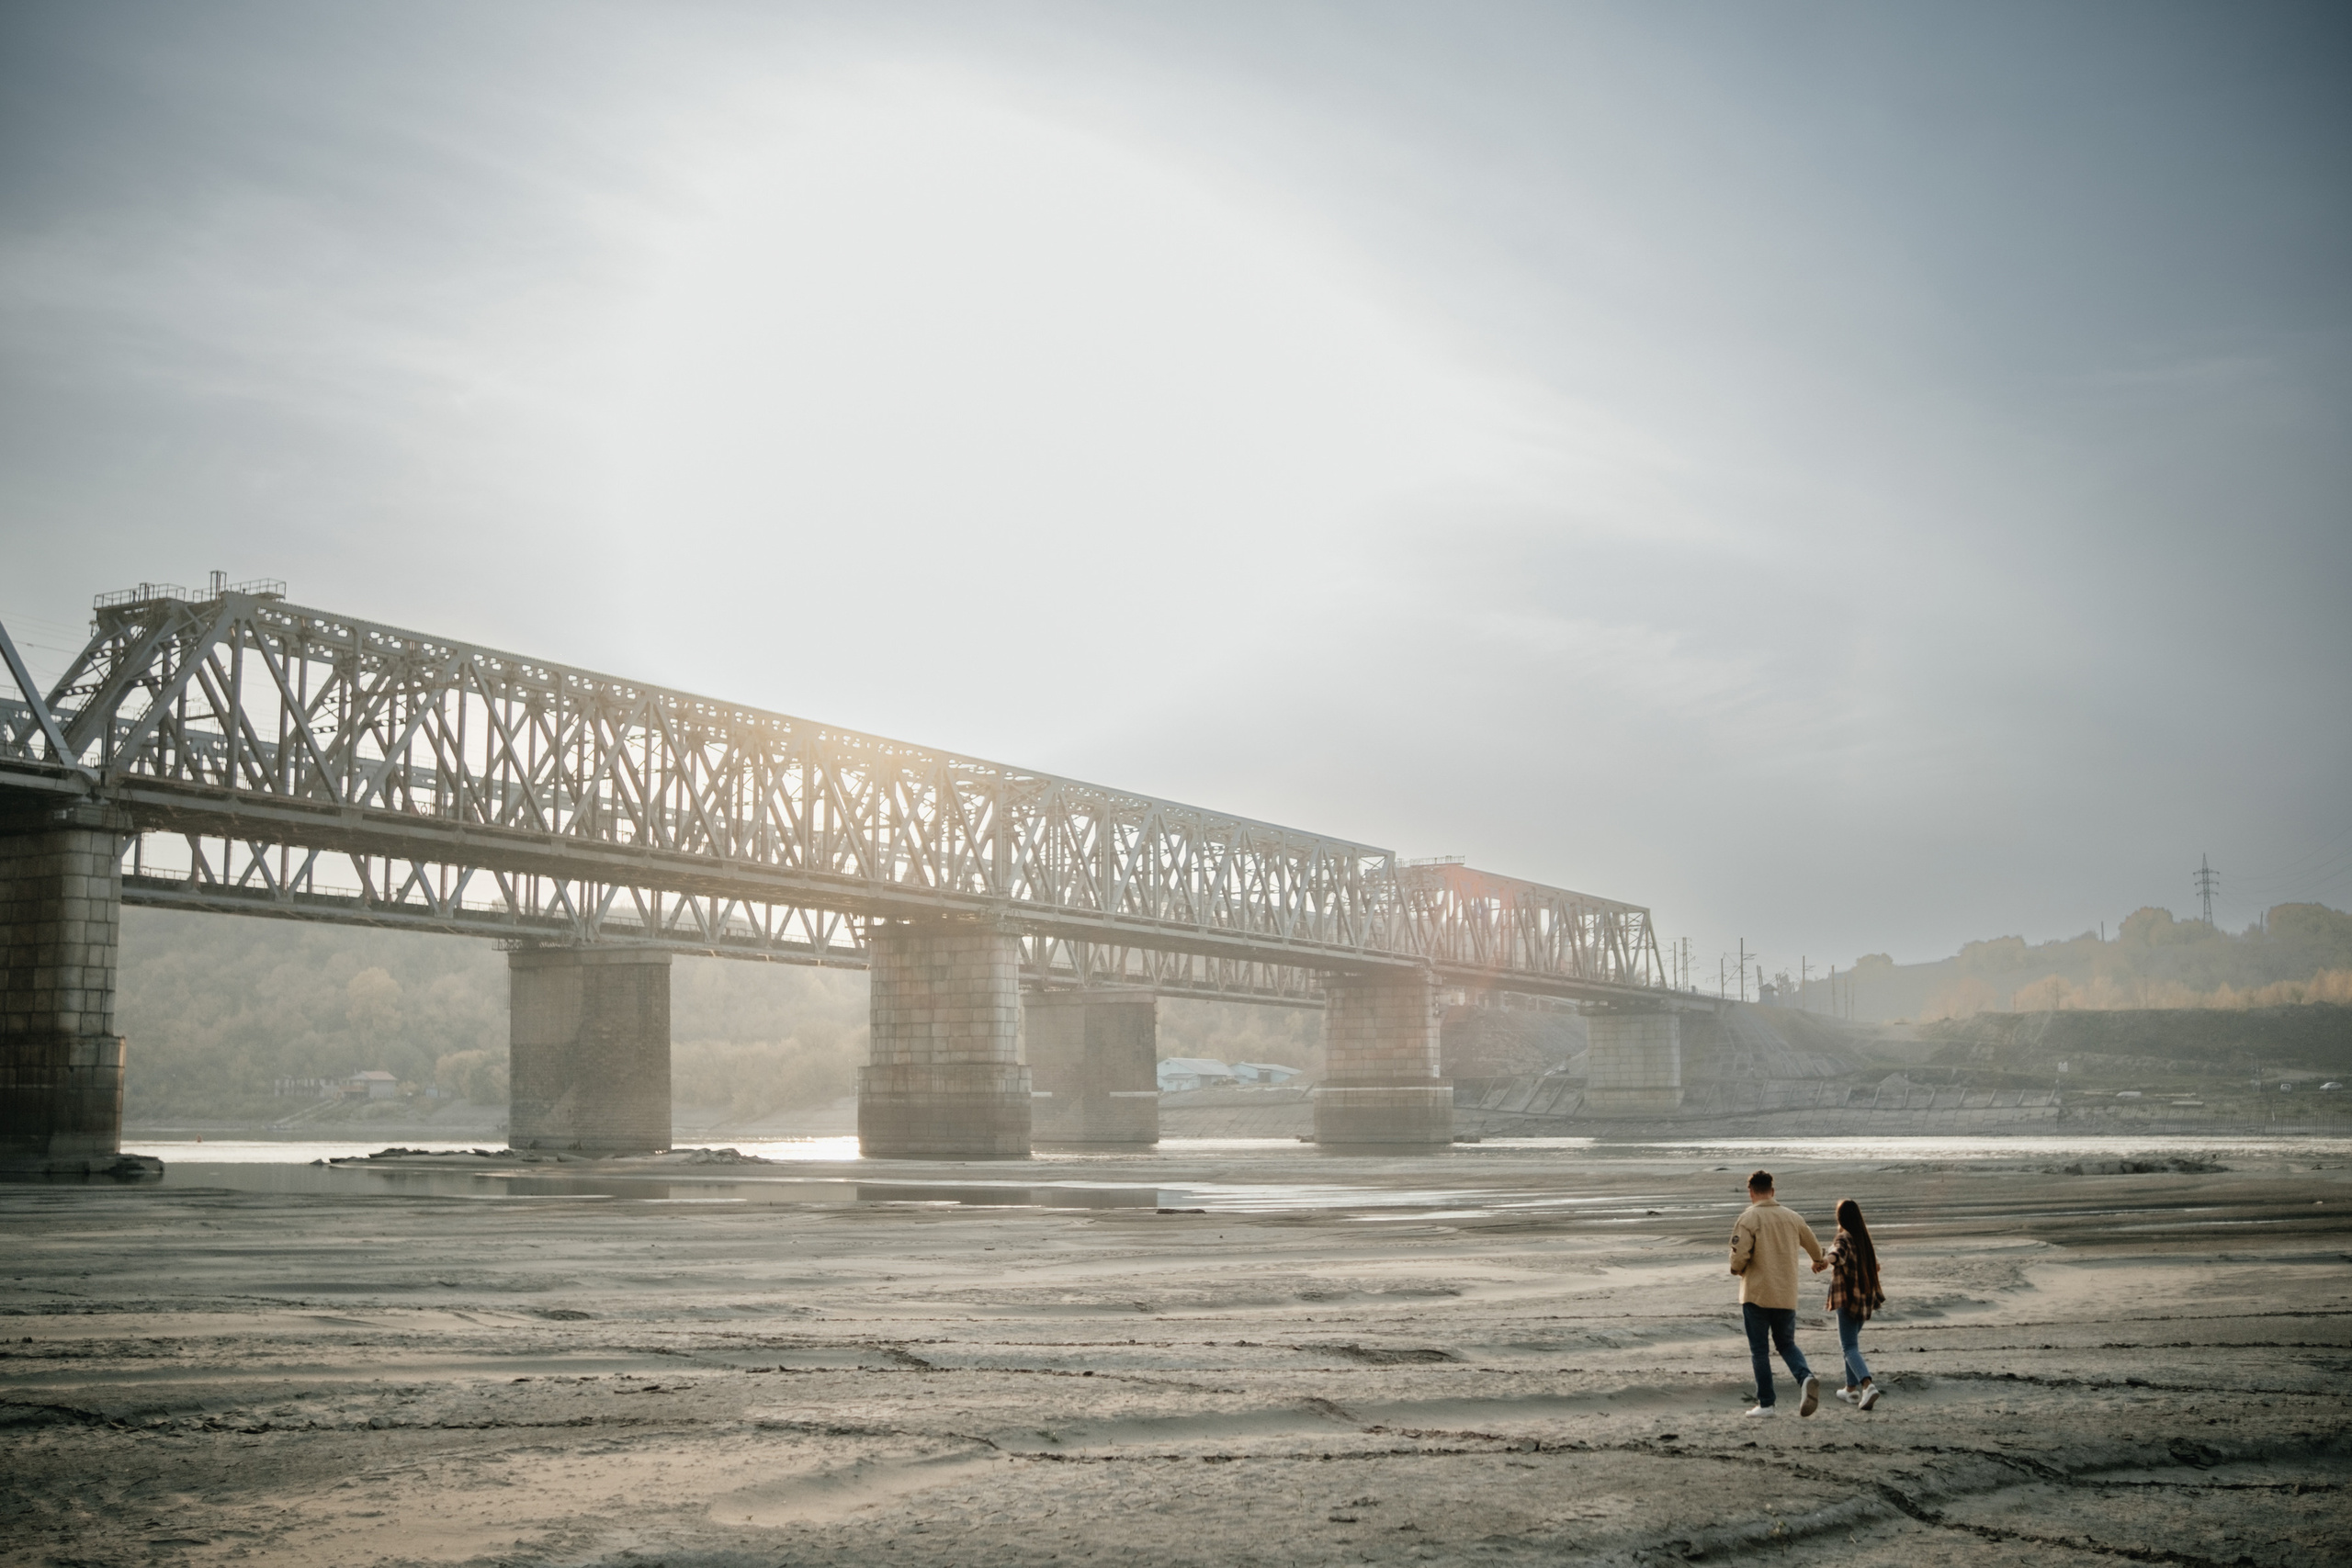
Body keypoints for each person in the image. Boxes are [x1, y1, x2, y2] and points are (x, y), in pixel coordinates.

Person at [1727, 1168, 1825, 1417]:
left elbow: (1739, 1256)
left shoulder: (1748, 1219)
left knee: (1759, 1350)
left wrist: (1737, 1269)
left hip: (1757, 1294)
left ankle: (1767, 1404)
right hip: (1785, 1293)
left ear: (1751, 1192)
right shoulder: (1792, 1217)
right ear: (1773, 1191)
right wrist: (1817, 1261)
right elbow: (1814, 1246)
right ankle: (1805, 1378)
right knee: (1786, 1344)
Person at [1823, 1197, 1886, 1410]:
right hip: (1865, 1301)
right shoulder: (1863, 1239)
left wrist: (1824, 1260)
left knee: (1848, 1347)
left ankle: (1867, 1386)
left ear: (1840, 1218)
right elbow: (1875, 1267)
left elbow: (1837, 1254)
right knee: (1851, 1346)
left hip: (1848, 1301)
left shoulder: (1844, 1238)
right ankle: (1850, 1390)